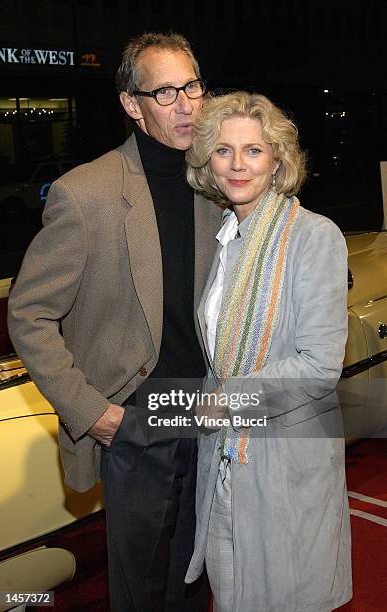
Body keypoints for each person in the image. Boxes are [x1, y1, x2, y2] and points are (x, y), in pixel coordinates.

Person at [8, 33, 221, 612]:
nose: (187, 105)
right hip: (135, 414)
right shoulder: (85, 195)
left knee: (199, 568)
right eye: (166, 92)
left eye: (194, 86)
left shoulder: (214, 182)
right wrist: (93, 413)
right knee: (140, 584)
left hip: (207, 408)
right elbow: (28, 316)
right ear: (133, 104)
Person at [184, 92, 352, 611]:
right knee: (232, 593)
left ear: (277, 160)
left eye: (254, 150)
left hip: (282, 458)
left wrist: (229, 399)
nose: (238, 165)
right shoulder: (221, 236)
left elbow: (320, 364)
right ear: (206, 160)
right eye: (223, 150)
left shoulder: (313, 236)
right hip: (223, 456)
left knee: (281, 594)